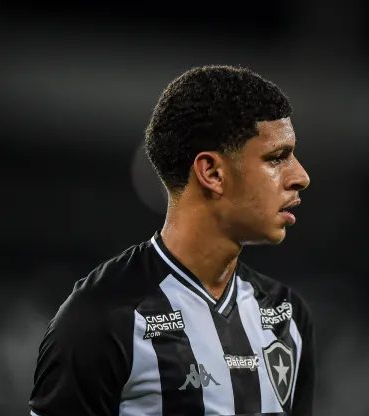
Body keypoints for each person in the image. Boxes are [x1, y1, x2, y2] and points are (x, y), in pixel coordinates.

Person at [28, 65, 314, 416]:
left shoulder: (286, 316)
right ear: (212, 173)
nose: (301, 176)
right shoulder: (102, 318)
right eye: (276, 158)